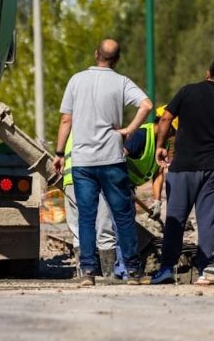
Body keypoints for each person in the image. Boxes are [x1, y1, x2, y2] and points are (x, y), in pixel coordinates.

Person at [53, 39, 153, 286]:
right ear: (117, 59)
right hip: (112, 159)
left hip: (83, 162)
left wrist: (58, 153)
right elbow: (147, 105)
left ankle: (88, 271)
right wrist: (129, 129)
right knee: (123, 216)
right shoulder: (121, 82)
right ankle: (133, 272)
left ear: (96, 53)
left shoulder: (76, 80)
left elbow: (66, 120)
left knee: (86, 217)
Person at [150, 58, 214, 285]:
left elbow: (166, 117)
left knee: (175, 220)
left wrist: (161, 145)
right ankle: (205, 270)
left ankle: (166, 269)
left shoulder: (188, 92)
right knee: (208, 222)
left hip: (182, 168)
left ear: (207, 73)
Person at [60, 134, 122, 281]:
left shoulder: (72, 131)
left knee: (78, 229)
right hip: (93, 181)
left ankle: (85, 275)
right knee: (104, 228)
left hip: (70, 181)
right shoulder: (97, 128)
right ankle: (109, 275)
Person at [124, 105, 179, 220]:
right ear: (162, 122)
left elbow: (158, 173)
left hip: (129, 186)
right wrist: (120, 184)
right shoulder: (141, 135)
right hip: (117, 184)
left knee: (128, 218)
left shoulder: (164, 145)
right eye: (172, 130)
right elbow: (118, 159)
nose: (173, 134)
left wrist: (157, 201)